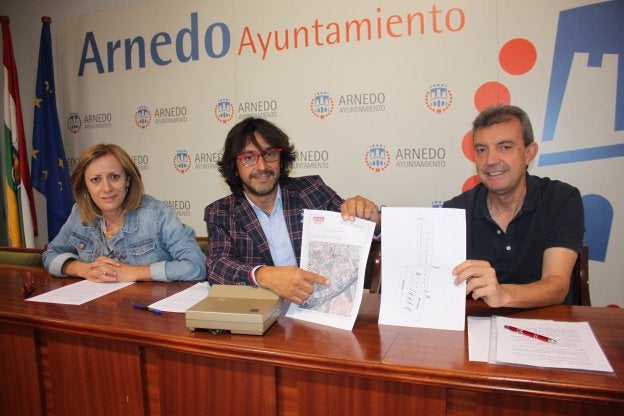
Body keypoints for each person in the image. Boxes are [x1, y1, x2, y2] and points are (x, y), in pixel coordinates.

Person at [204, 117, 381, 304]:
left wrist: (374, 222)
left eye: (270, 154)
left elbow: (358, 229)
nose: (262, 166)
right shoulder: (221, 213)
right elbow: (217, 268)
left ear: (281, 160)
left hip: (321, 306)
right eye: (249, 158)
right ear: (235, 166)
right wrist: (264, 275)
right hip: (263, 312)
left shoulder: (312, 190)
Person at [443, 105, 584, 308]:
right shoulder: (454, 210)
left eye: (505, 147)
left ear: (529, 153)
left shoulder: (561, 199)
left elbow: (557, 284)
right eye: (482, 150)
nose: (490, 160)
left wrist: (503, 294)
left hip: (547, 322)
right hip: (477, 322)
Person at [43, 143, 206, 282]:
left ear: (127, 180)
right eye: (95, 180)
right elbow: (50, 254)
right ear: (85, 186)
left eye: (114, 177)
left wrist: (135, 272)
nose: (107, 188)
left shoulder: (158, 215)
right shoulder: (79, 214)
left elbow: (197, 266)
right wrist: (83, 269)